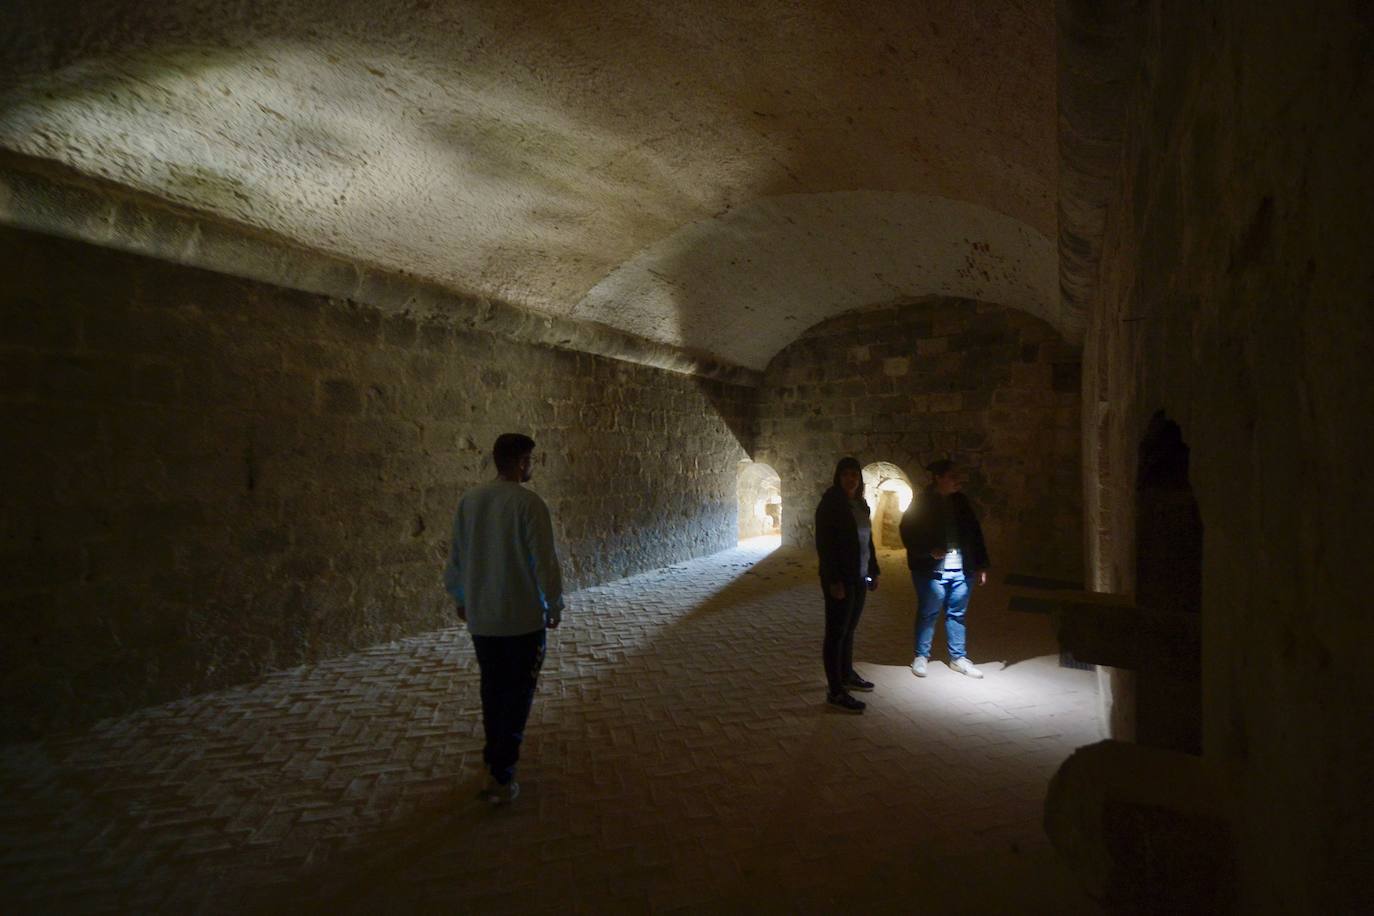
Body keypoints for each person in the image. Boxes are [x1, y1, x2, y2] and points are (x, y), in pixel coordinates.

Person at [444, 433, 565, 804]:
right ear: (521, 461)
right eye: (531, 459)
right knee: (517, 696)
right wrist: (554, 604)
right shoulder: (529, 504)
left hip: (483, 618)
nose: (532, 466)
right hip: (522, 620)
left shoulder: (470, 501)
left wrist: (461, 597)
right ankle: (501, 772)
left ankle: (492, 761)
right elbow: (544, 562)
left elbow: (458, 557)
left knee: (492, 690)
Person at [900, 459, 990, 679]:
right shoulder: (922, 502)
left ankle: (958, 658)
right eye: (952, 476)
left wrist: (980, 564)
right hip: (931, 570)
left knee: (957, 614)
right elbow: (908, 532)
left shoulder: (961, 502)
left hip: (961, 569)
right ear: (938, 478)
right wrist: (928, 550)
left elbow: (975, 534)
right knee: (928, 613)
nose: (957, 481)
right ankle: (921, 657)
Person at [815, 457, 881, 712]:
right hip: (840, 578)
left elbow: (868, 541)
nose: (851, 479)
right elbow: (825, 547)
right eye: (846, 474)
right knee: (836, 632)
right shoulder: (830, 505)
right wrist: (834, 581)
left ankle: (846, 674)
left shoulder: (860, 504)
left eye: (854, 474)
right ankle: (835, 690)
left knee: (849, 629)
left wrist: (873, 570)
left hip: (859, 575)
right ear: (838, 477)